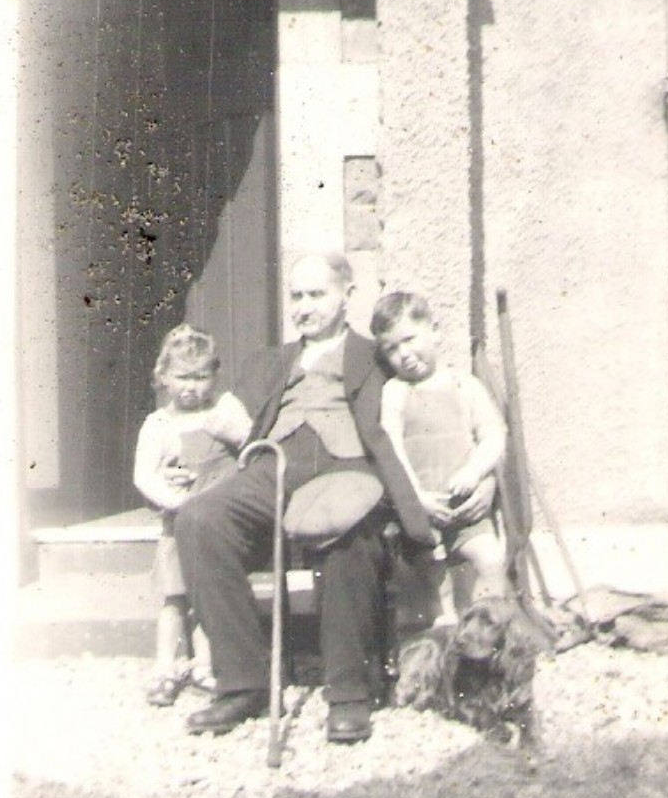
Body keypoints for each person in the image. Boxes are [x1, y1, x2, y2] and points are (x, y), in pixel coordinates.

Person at [175, 252, 462, 744]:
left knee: (350, 530)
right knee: (200, 519)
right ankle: (243, 681)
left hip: (347, 466)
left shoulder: (375, 356)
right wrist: (184, 459)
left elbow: (431, 401)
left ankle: (349, 691)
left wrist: (423, 492)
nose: (303, 306)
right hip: (272, 465)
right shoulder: (270, 361)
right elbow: (224, 423)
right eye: (296, 296)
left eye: (316, 294)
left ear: (347, 296)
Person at [134, 323, 253, 707]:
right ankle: (165, 666)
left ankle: (205, 662)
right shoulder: (160, 424)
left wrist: (238, 435)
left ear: (214, 374)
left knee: (209, 596)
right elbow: (144, 475)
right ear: (163, 378)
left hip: (218, 525)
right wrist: (173, 500)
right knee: (174, 599)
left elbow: (252, 444)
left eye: (201, 377)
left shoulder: (224, 410)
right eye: (182, 377)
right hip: (179, 521)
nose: (192, 386)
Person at [371, 290, 507, 618]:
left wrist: (475, 472)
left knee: (491, 560)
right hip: (423, 513)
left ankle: (490, 632)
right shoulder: (396, 393)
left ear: (435, 330)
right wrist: (415, 497)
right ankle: (442, 635)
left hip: (466, 509)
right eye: (391, 348)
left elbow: (494, 435)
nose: (403, 354)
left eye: (409, 339)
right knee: (433, 580)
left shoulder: (465, 385)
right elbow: (392, 450)